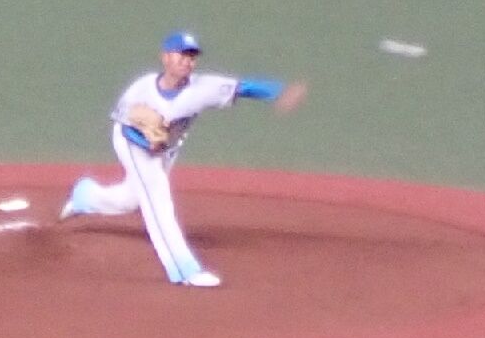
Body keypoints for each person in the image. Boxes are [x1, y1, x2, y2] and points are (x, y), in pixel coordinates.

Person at [59, 31, 306, 287]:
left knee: (132, 198)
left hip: (165, 150)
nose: (187, 61)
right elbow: (125, 126)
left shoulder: (203, 88)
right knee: (157, 197)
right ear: (165, 57)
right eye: (182, 55)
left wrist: (279, 92)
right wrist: (148, 141)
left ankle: (86, 196)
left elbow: (243, 87)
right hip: (130, 142)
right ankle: (184, 269)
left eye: (191, 57)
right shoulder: (140, 89)